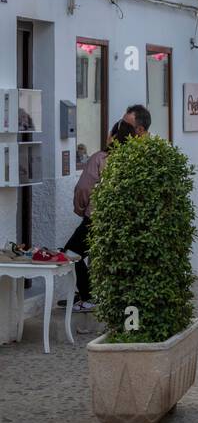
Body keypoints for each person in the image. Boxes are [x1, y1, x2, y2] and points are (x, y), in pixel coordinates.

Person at [64, 119, 136, 312]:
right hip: (123, 220)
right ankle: (96, 296)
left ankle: (88, 297)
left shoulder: (99, 158)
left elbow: (83, 188)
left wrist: (81, 210)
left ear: (112, 136)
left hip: (97, 218)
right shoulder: (135, 161)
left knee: (71, 253)